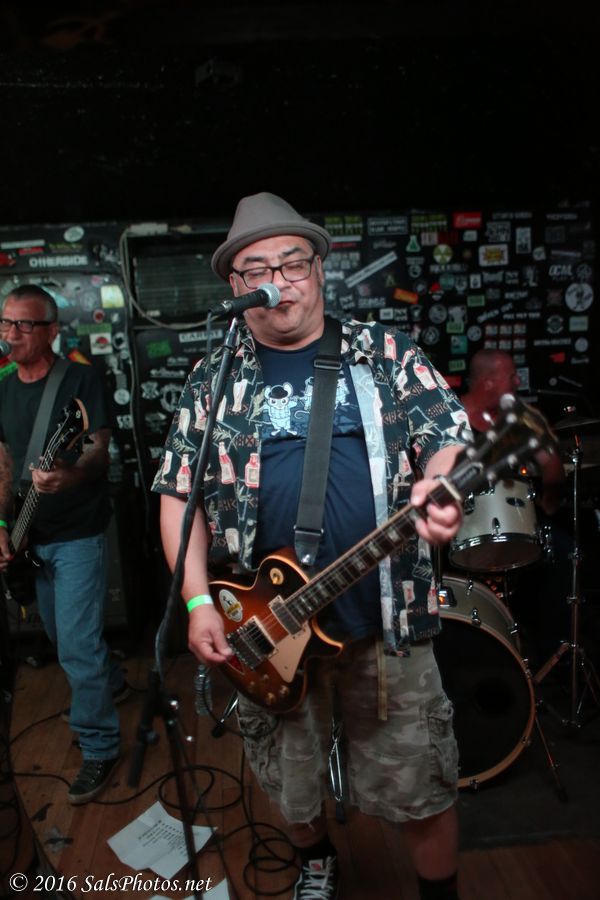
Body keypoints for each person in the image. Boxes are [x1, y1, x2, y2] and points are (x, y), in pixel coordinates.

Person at [153, 192, 471, 900]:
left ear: (319, 268)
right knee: (288, 780)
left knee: (420, 783)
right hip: (266, 626)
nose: (279, 281)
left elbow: (448, 435)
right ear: (236, 286)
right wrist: (198, 600)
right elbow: (179, 496)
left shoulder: (383, 353)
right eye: (257, 270)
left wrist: (441, 482)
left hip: (383, 622)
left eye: (293, 263)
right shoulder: (214, 377)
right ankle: (317, 860)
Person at [0, 284, 128, 804]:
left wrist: (66, 476)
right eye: (5, 323)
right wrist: (1, 522)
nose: (10, 334)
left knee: (75, 644)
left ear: (52, 330)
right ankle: (110, 680)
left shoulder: (79, 379)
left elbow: (97, 452)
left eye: (23, 325)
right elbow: (3, 461)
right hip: (30, 532)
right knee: (59, 634)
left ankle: (99, 745)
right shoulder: (3, 385)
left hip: (77, 532)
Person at [459, 348, 569, 667]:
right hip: (459, 532)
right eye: (512, 376)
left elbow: (552, 469)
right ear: (489, 382)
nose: (519, 382)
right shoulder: (451, 416)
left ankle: (550, 659)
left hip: (517, 525)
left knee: (563, 552)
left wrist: (548, 504)